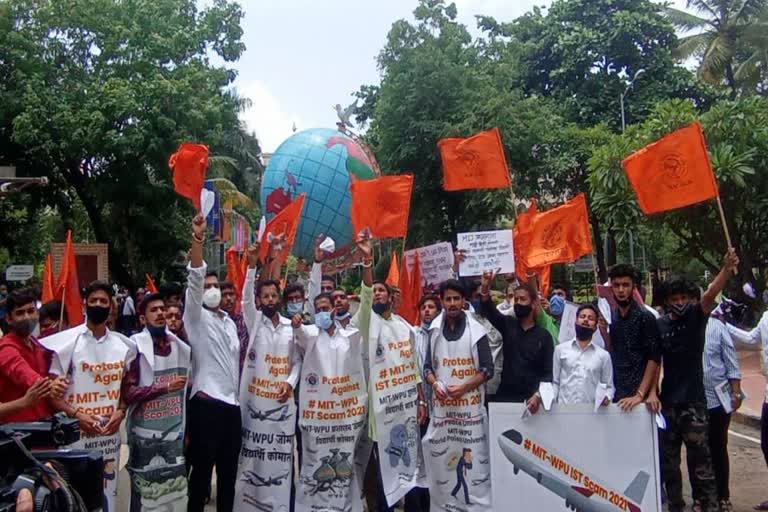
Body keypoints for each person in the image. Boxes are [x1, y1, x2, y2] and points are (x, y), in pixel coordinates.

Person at [43, 281, 136, 512]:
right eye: (93, 300)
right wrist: (77, 415)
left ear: (112, 306)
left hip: (108, 439)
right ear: (85, 305)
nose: (98, 304)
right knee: (75, 501)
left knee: (107, 500)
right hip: (75, 438)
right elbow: (51, 395)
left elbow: (126, 390)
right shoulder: (66, 344)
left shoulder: (125, 346)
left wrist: (121, 412)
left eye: (103, 301)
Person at [656, 250, 738, 512]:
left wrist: (726, 269)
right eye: (674, 298)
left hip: (694, 403)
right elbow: (652, 360)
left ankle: (708, 505)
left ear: (690, 299)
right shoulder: (660, 325)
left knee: (701, 464)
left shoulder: (697, 317)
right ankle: (676, 506)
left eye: (683, 298)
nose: (679, 302)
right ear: (667, 301)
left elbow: (710, 294)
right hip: (668, 404)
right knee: (669, 465)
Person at [354, 232, 426, 512]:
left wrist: (420, 399)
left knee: (410, 468)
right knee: (384, 470)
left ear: (392, 297)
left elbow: (414, 368)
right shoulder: (367, 322)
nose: (378, 294)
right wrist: (368, 260)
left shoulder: (405, 326)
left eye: (383, 291)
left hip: (406, 410)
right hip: (380, 414)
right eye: (376, 292)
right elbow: (367, 292)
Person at [183, 213, 242, 512]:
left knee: (228, 481)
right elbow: (194, 279)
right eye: (207, 286)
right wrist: (197, 240)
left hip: (232, 409)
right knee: (201, 481)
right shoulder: (195, 318)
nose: (212, 289)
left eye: (215, 284)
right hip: (206, 406)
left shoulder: (229, 323)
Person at [291, 292, 367, 512]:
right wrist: (297, 324)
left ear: (335, 309)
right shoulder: (310, 334)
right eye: (318, 309)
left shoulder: (351, 335)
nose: (322, 313)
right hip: (318, 418)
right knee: (314, 461)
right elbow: (300, 330)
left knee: (345, 465)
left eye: (326, 308)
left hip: (344, 418)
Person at [423, 279, 493, 510]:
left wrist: (463, 388)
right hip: (444, 415)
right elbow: (427, 369)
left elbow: (487, 369)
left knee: (475, 466)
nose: (452, 303)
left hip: (469, 414)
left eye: (456, 299)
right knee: (444, 463)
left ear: (464, 301)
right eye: (448, 299)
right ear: (441, 302)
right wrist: (435, 384)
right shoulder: (433, 331)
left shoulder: (478, 330)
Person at [124, 293, 191, 511]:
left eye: (162, 309)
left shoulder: (179, 347)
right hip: (144, 437)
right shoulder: (135, 348)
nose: (161, 313)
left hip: (173, 435)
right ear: (142, 319)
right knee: (145, 496)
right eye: (154, 310)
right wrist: (164, 388)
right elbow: (129, 393)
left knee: (174, 494)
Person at [478, 272, 553, 411]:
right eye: (516, 299)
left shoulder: (544, 336)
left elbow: (549, 372)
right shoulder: (508, 325)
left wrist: (538, 395)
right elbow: (490, 311)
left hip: (532, 402)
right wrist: (485, 287)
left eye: (523, 299)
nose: (518, 303)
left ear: (533, 303)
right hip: (505, 398)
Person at [0, 289, 68, 422]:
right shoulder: (5, 348)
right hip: (17, 434)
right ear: (9, 319)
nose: (27, 317)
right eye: (20, 313)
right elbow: (22, 372)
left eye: (31, 311)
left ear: (37, 314)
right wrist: (50, 385)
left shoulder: (38, 345)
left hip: (45, 428)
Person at [703, 299, 743, 512]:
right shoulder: (681, 327)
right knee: (698, 452)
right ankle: (702, 497)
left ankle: (722, 495)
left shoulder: (718, 328)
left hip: (718, 400)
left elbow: (731, 362)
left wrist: (736, 392)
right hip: (693, 401)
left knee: (718, 447)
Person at [403, 294, 441, 512]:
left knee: (432, 461)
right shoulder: (412, 335)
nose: (427, 310)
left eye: (432, 307)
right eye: (424, 307)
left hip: (438, 409)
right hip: (415, 407)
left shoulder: (441, 336)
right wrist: (419, 400)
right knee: (414, 461)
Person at [604, 264, 661, 411]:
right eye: (617, 285)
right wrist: (604, 332)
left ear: (633, 287)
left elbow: (654, 358)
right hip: (618, 394)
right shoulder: (614, 317)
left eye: (625, 285)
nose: (621, 290)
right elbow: (613, 351)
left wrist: (641, 394)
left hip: (641, 398)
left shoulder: (645, 317)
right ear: (611, 288)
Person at [551, 304, 614, 405]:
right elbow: (555, 382)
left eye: (590, 318)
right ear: (576, 321)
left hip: (592, 415)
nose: (585, 320)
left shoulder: (603, 356)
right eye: (582, 316)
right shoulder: (560, 350)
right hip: (564, 413)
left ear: (595, 326)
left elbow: (609, 387)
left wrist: (607, 397)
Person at [220, 280, 250, 375]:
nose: (228, 298)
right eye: (224, 295)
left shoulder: (245, 320)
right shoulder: (214, 322)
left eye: (231, 294)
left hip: (243, 377)